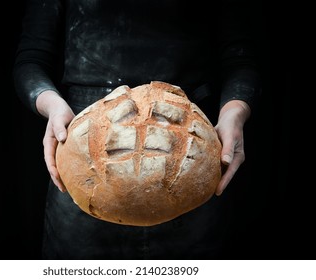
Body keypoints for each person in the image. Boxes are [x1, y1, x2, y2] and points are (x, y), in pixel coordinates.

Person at [13, 0, 261, 259]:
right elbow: (31, 60)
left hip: (192, 162)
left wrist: (234, 112)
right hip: (84, 163)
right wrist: (52, 106)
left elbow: (240, 59)